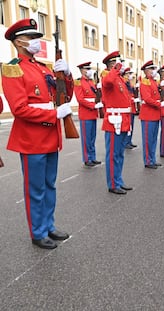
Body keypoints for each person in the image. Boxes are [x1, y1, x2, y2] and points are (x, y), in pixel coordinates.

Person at [2, 18, 74, 249]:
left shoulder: (44, 67)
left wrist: (67, 75)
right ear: (19, 42)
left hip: (50, 137)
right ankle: (38, 231)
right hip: (31, 139)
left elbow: (64, 95)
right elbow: (20, 109)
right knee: (36, 188)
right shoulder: (12, 68)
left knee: (50, 185)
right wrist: (55, 115)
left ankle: (49, 226)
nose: (36, 42)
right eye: (32, 38)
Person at [100, 51, 133, 194]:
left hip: (123, 120)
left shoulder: (118, 78)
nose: (120, 66)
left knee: (119, 153)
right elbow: (107, 82)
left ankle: (118, 180)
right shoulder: (108, 76)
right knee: (113, 154)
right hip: (114, 121)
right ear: (111, 65)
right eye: (116, 63)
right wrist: (115, 69)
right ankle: (113, 184)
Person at [74, 61, 102, 167]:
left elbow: (96, 95)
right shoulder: (78, 82)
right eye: (87, 69)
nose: (89, 71)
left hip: (93, 113)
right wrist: (93, 106)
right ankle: (87, 158)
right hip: (86, 113)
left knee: (92, 137)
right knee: (86, 138)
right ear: (82, 70)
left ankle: (93, 157)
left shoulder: (91, 82)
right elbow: (80, 99)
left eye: (89, 69)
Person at [139, 60, 163, 169]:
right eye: (151, 69)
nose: (154, 71)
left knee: (153, 139)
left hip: (155, 114)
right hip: (148, 114)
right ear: (146, 71)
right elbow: (147, 98)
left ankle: (152, 159)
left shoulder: (154, 81)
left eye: (154, 69)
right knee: (148, 140)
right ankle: (148, 161)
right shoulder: (145, 82)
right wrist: (159, 104)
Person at [122, 67, 138, 150]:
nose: (129, 76)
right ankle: (125, 142)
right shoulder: (124, 83)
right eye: (128, 74)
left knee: (131, 125)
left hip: (132, 107)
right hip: (128, 107)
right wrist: (132, 99)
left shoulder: (129, 83)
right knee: (127, 126)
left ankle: (129, 141)